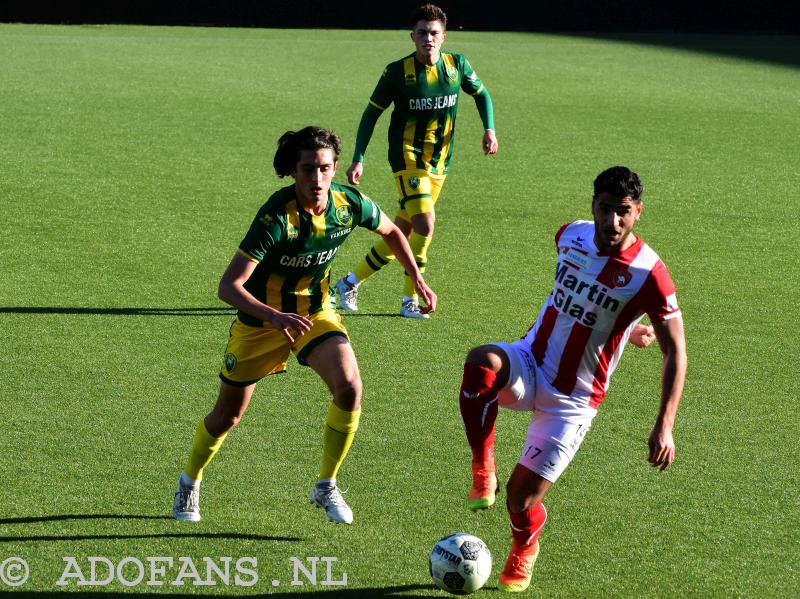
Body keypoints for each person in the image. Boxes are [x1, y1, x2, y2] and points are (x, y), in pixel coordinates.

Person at [172, 126, 436, 525]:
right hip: (262, 322)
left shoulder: (349, 204)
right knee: (227, 415)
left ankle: (326, 485)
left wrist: (415, 276)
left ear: (334, 170)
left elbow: (394, 231)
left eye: (325, 169)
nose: (317, 179)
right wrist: (274, 316)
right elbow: (229, 286)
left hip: (314, 313)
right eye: (308, 169)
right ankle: (190, 480)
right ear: (293, 171)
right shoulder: (276, 218)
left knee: (350, 386)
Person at [458, 166, 687, 592]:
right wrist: (619, 324)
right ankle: (481, 465)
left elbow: (676, 350)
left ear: (638, 212)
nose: (612, 222)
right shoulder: (571, 234)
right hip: (529, 361)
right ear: (593, 206)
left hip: (573, 400)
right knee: (480, 363)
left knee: (520, 500)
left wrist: (665, 425)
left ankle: (525, 545)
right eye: (604, 209)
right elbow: (581, 293)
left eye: (623, 212)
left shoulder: (651, 274)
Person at [334, 3, 498, 319]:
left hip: (440, 162)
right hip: (406, 157)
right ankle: (410, 299)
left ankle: (349, 282)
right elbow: (371, 114)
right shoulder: (397, 72)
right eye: (422, 32)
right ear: (412, 36)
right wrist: (359, 159)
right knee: (426, 222)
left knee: (403, 232)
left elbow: (482, 94)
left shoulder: (457, 65)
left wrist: (489, 129)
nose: (428, 38)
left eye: (434, 32)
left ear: (444, 36)